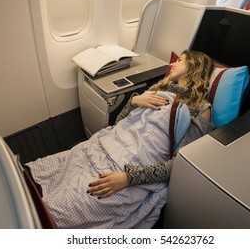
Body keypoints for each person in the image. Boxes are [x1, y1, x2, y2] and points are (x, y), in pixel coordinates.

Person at [25, 50, 215, 228]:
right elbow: (119, 125)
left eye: (180, 60)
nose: (173, 63)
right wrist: (133, 101)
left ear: (194, 66)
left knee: (64, 206)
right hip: (106, 147)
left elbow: (180, 164)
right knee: (45, 174)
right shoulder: (157, 90)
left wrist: (129, 178)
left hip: (130, 170)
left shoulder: (200, 108)